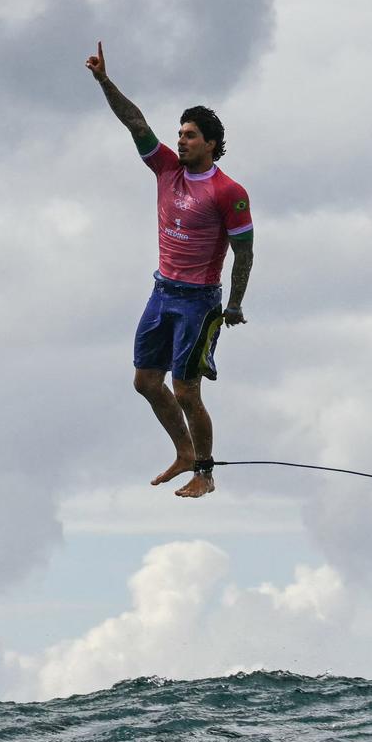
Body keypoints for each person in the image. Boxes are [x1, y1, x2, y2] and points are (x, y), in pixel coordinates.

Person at [85, 41, 254, 499]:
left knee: (186, 390)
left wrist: (235, 303)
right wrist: (104, 81)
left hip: (199, 302)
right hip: (162, 292)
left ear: (212, 144)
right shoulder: (165, 169)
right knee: (145, 381)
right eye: (179, 133)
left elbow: (244, 251)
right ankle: (183, 451)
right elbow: (135, 121)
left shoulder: (228, 191)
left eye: (190, 135)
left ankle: (205, 471)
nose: (180, 140)